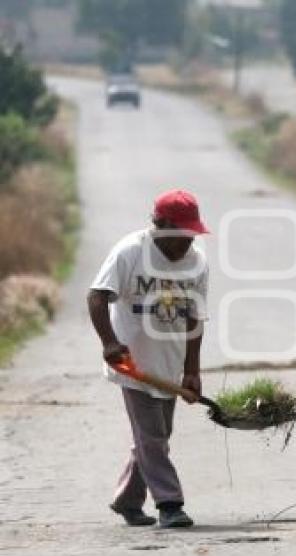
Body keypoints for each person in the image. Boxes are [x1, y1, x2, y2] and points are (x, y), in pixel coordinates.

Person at [87, 189, 210, 528]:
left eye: (192, 234)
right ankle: (170, 504)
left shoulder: (196, 262)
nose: (187, 241)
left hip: (169, 364)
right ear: (161, 225)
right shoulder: (130, 251)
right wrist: (110, 343)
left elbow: (195, 319)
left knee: (155, 436)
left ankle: (127, 499)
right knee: (152, 436)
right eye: (181, 234)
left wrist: (191, 371)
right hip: (134, 365)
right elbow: (97, 297)